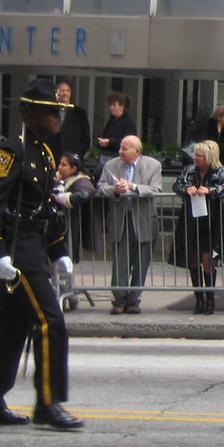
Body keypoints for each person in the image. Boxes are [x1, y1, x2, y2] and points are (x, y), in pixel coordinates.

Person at [0, 78, 82, 429]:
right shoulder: (12, 150)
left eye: (59, 111)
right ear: (30, 113)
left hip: (34, 246)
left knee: (11, 326)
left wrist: (60, 249)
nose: (57, 118)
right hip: (18, 254)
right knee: (50, 320)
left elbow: (44, 208)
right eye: (51, 111)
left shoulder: (46, 153)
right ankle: (47, 404)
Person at [97, 135, 163, 315]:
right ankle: (119, 299)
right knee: (121, 262)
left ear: (137, 151)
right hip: (120, 219)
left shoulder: (153, 165)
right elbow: (101, 186)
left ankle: (134, 300)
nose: (120, 152)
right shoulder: (111, 165)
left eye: (124, 149)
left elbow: (156, 189)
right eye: (120, 148)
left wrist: (133, 187)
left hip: (143, 220)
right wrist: (114, 190)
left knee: (141, 262)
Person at [171, 140, 224, 315]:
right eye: (195, 154)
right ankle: (199, 299)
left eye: (199, 155)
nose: (195, 158)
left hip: (211, 220)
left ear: (208, 157)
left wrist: (210, 190)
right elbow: (177, 184)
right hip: (191, 218)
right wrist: (186, 189)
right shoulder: (189, 170)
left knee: (208, 259)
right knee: (193, 257)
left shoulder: (219, 170)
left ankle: (210, 299)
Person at [51, 151, 97, 304]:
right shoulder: (58, 179)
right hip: (54, 227)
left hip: (68, 229)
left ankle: (69, 295)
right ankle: (62, 293)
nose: (60, 168)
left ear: (73, 168)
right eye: (60, 164)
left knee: (64, 262)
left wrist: (63, 198)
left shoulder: (81, 180)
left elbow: (85, 193)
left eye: (64, 165)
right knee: (54, 262)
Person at [94, 91, 136, 183]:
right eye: (110, 105)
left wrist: (110, 142)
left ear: (122, 106)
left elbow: (130, 143)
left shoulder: (128, 123)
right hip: (105, 157)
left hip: (118, 158)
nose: (111, 108)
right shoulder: (111, 122)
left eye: (114, 105)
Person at [53, 78, 91, 158]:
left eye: (67, 91)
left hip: (72, 157)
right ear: (56, 93)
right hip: (53, 155)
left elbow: (86, 137)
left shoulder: (80, 113)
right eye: (62, 90)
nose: (64, 93)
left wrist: (79, 153)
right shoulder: (50, 111)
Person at [205, 104, 224, 172]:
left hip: (220, 162)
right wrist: (222, 146)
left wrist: (216, 145)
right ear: (220, 115)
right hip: (207, 161)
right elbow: (207, 144)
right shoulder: (209, 126)